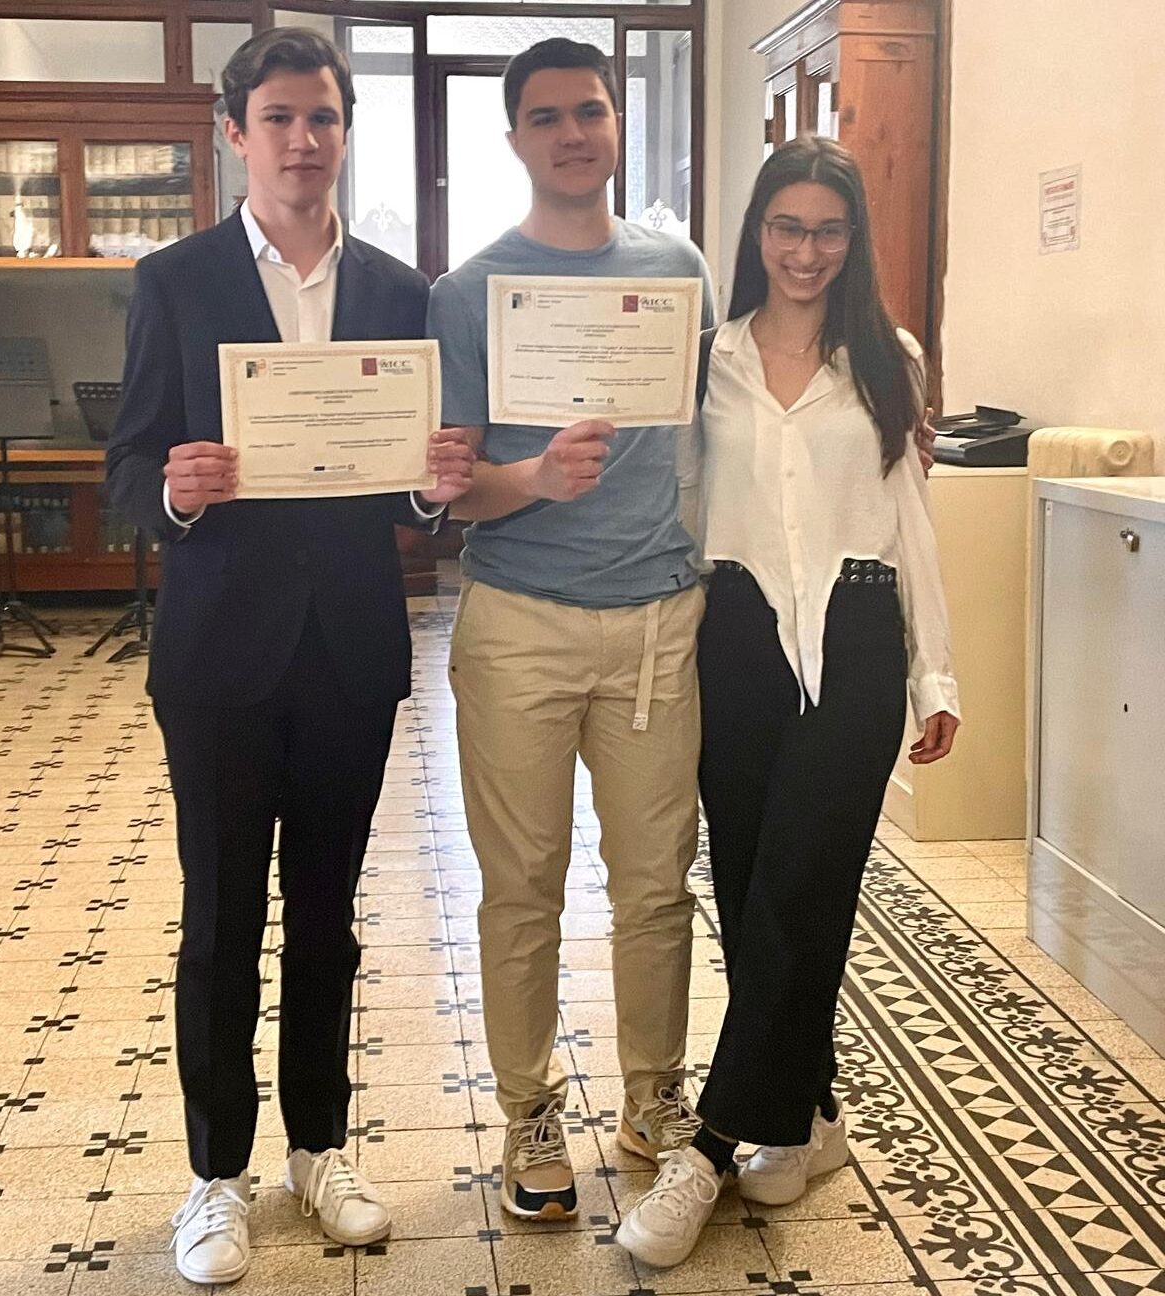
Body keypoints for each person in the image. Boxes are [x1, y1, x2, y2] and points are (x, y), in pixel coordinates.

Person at [105, 27, 474, 1286]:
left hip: (349, 651)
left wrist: (431, 489)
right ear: (235, 133)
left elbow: (410, 486)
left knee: (327, 919)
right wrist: (175, 490)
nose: (303, 140)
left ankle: (320, 1149)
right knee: (220, 920)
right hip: (217, 655)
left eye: (322, 117)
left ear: (344, 130)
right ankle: (216, 1175)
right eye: (278, 118)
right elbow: (126, 471)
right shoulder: (176, 280)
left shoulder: (399, 292)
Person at [616, 136, 961, 1269]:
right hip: (734, 639)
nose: (806, 251)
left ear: (853, 240)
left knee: (801, 888)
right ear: (756, 231)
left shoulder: (888, 357)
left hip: (855, 641)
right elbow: (676, 503)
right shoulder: (703, 359)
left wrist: (936, 672)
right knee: (754, 887)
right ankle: (811, 1113)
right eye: (787, 227)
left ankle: (710, 1149)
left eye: (828, 231)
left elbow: (910, 517)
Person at [427, 38, 715, 1222]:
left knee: (654, 885)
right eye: (545, 117)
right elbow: (451, 492)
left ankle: (655, 1097)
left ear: (615, 124)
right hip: (521, 627)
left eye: (589, 111)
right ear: (515, 140)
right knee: (522, 887)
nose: (571, 133)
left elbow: (732, 420)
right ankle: (530, 1110)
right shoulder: (469, 294)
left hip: (659, 621)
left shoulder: (676, 271)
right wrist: (533, 478)